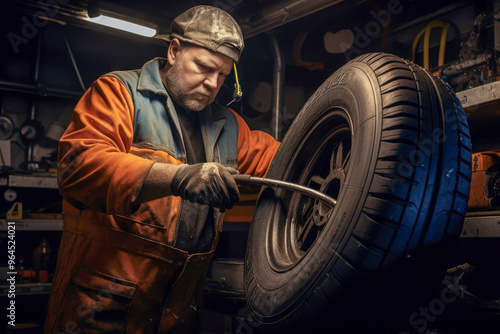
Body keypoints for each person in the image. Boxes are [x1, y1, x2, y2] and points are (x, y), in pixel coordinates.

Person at [44, 5, 280, 334]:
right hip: (100, 309)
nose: (213, 83)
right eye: (203, 67)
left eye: (223, 74)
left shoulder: (228, 125)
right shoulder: (119, 93)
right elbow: (78, 167)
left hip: (176, 315)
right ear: (174, 50)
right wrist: (178, 178)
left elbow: (281, 161)